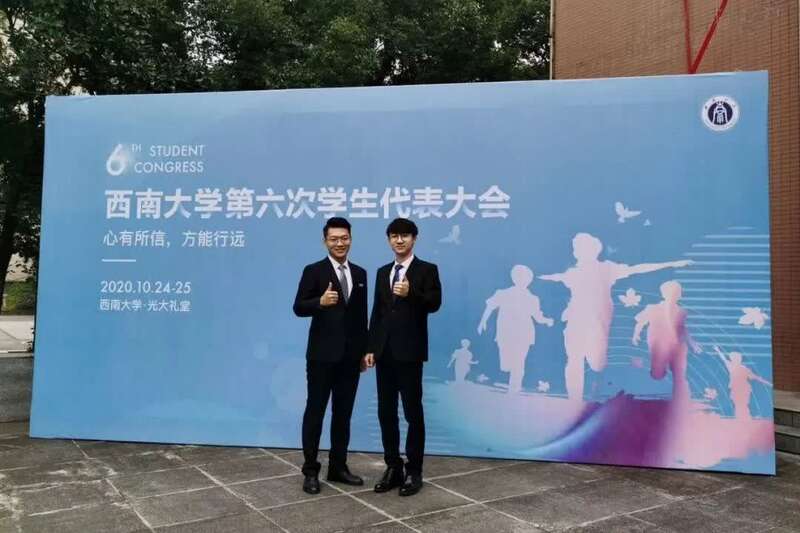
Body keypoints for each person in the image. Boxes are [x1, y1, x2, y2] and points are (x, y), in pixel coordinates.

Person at [540, 232, 691, 401]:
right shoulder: (573, 272)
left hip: (597, 324)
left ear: (593, 250)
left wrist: (671, 264)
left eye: (580, 248)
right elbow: (556, 278)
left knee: (597, 364)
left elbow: (637, 269)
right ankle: (574, 399)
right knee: (574, 359)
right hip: (575, 321)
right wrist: (542, 278)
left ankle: (595, 379)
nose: (576, 252)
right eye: (576, 248)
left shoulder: (607, 269)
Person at [363, 218, 441, 497]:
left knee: (412, 412)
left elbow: (434, 303)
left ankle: (414, 470)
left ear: (414, 239)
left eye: (405, 235)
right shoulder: (383, 272)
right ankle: (393, 467)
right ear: (388, 240)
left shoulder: (427, 270)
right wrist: (370, 348)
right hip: (384, 354)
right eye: (394, 236)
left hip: (410, 353)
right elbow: (377, 313)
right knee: (386, 412)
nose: (399, 240)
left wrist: (411, 293)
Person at [293, 217, 368, 495]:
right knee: (315, 412)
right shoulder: (314, 271)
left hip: (350, 358)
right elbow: (298, 307)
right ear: (325, 241)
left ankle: (338, 467)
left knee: (343, 414)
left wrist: (364, 350)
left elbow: (361, 317)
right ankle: (311, 471)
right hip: (321, 357)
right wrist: (320, 302)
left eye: (344, 238)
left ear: (351, 239)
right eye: (334, 239)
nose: (340, 243)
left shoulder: (360, 273)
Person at [477, 265, 553, 393]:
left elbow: (538, 317)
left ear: (529, 280)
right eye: (519, 277)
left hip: (524, 333)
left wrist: (547, 321)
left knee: (519, 361)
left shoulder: (532, 298)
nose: (522, 280)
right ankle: (512, 377)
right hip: (505, 333)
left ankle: (514, 388)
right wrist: (483, 321)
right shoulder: (503, 293)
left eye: (525, 278)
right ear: (513, 278)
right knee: (507, 364)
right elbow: (490, 306)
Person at [632, 280, 702, 402]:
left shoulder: (681, 311)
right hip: (659, 344)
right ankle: (654, 380)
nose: (673, 295)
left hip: (677, 345)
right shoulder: (653, 308)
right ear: (663, 294)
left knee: (678, 373)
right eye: (670, 293)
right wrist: (636, 334)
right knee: (657, 374)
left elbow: (683, 328)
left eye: (676, 293)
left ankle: (678, 398)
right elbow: (640, 321)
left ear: (680, 295)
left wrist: (692, 343)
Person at [714, 345, 772, 420]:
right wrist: (718, 351)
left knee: (742, 404)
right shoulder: (731, 366)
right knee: (738, 404)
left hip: (744, 389)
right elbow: (724, 359)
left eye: (739, 358)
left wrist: (768, 383)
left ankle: (745, 418)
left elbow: (756, 377)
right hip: (736, 389)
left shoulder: (743, 368)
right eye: (736, 358)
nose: (739, 359)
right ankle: (742, 418)